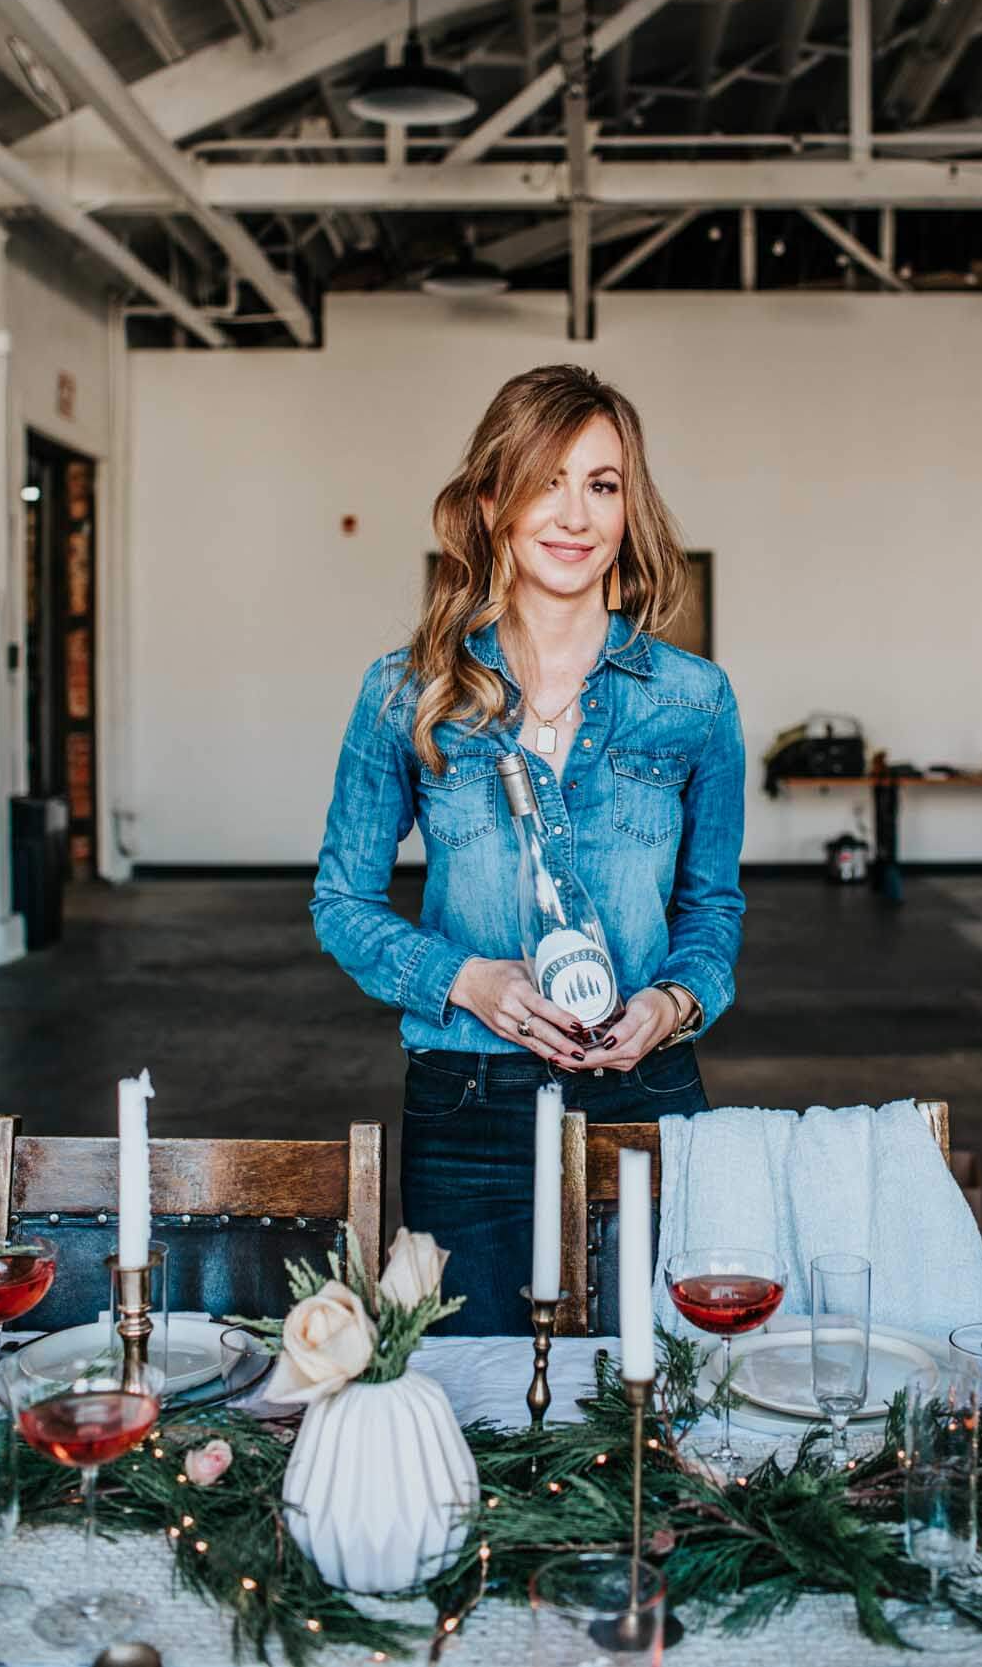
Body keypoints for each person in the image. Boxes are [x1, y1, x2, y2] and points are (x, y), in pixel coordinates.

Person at [311, 364, 746, 1333]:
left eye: (602, 483)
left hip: (649, 1092)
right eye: (546, 480)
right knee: (477, 1390)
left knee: (657, 1386)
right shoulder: (405, 691)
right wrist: (464, 979)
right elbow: (342, 902)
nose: (575, 513)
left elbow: (712, 907)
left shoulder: (692, 699)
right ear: (489, 503)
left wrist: (674, 1003)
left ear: (631, 510)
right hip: (466, 1102)